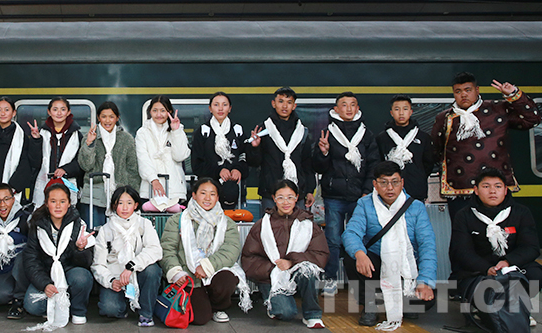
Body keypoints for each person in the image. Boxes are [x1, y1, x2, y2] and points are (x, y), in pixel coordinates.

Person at [432, 72, 541, 218]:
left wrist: (514, 95)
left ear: (477, 90)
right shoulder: (444, 117)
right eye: (458, 91)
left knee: (501, 228)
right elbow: (436, 150)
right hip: (459, 187)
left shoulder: (497, 109)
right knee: (464, 230)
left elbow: (532, 119)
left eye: (468, 90)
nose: (463, 95)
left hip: (495, 187)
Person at [342, 161, 436, 329]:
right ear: (375, 184)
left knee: (427, 301)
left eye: (395, 182)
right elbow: (351, 233)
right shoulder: (365, 204)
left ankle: (402, 301)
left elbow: (427, 246)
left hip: (405, 267)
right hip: (377, 264)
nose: (390, 188)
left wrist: (425, 281)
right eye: (384, 183)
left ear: (402, 183)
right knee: (352, 257)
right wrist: (359, 253)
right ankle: (370, 305)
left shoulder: (416, 207)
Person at [450, 167, 542, 329]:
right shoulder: (464, 215)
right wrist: (486, 268)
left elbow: (531, 247)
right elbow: (460, 251)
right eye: (486, 186)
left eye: (498, 186)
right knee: (476, 285)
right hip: (478, 270)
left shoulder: (521, 212)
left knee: (536, 273)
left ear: (505, 190)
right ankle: (481, 308)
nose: (492, 191)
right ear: (476, 190)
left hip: (512, 266)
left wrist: (508, 262)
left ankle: (519, 309)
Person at [159, 177, 252, 325]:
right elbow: (167, 249)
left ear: (217, 198)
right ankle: (203, 303)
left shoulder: (226, 223)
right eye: (203, 193)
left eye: (212, 194)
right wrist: (176, 272)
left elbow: (231, 250)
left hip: (214, 272)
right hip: (189, 276)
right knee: (200, 318)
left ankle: (218, 307)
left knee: (227, 279)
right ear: (194, 195)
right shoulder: (178, 220)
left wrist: (207, 265)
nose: (208, 198)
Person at [312, 91, 379, 294]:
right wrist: (323, 152)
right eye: (344, 105)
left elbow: (374, 165)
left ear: (357, 108)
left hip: (361, 196)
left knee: (361, 238)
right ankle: (330, 279)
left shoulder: (366, 134)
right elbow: (319, 167)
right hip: (334, 196)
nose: (348, 108)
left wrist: (367, 191)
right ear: (336, 109)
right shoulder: (327, 133)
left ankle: (360, 281)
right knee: (333, 240)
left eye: (352, 104)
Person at [242, 179, 328, 329]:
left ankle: (312, 315)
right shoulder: (262, 225)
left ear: (296, 198)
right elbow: (249, 258)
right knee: (286, 313)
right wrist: (274, 268)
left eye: (290, 197)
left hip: (296, 271)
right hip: (270, 276)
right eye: (280, 197)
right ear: (274, 199)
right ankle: (273, 303)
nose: (285, 202)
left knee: (308, 271)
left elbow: (320, 254)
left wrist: (292, 262)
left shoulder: (308, 224)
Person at [23, 180, 95, 327]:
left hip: (70, 272)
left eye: (62, 201)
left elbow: (86, 263)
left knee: (82, 278)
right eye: (53, 201)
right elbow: (31, 259)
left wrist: (80, 249)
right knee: (31, 305)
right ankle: (59, 306)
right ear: (46, 203)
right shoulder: (37, 224)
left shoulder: (78, 224)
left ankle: (77, 310)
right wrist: (45, 284)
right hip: (47, 273)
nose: (58, 206)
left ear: (69, 204)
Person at [92, 185, 163, 327]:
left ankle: (146, 313)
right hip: (116, 277)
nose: (125, 208)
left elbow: (155, 250)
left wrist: (132, 266)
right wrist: (111, 281)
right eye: (120, 203)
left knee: (153, 270)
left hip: (138, 273)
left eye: (129, 203)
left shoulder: (144, 224)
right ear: (114, 205)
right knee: (109, 309)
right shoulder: (106, 230)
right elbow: (98, 264)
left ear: (136, 205)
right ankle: (124, 305)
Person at [249, 87, 316, 212]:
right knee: (270, 225)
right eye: (280, 101)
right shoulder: (263, 130)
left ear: (294, 106)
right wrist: (255, 147)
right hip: (270, 193)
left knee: (298, 225)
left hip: (297, 193)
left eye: (289, 102)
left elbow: (307, 164)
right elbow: (254, 162)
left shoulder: (302, 131)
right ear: (273, 103)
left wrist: (309, 191)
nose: (284, 106)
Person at [78, 101, 140, 228]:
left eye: (111, 116)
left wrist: (132, 196)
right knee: (93, 231)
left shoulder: (126, 139)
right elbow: (85, 165)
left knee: (119, 232)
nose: (107, 120)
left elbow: (133, 170)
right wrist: (89, 144)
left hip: (120, 195)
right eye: (104, 116)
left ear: (117, 118)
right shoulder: (90, 136)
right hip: (94, 193)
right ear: (98, 118)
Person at [190, 92, 253, 210]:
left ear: (230, 108)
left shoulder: (237, 130)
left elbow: (245, 156)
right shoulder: (203, 131)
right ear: (210, 108)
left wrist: (238, 169)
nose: (220, 108)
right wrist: (218, 171)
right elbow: (197, 164)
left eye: (224, 105)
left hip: (232, 192)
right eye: (216, 105)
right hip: (208, 191)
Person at [375, 95, 436, 201]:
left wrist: (418, 176)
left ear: (411, 112)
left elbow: (428, 164)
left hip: (416, 191)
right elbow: (378, 164)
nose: (401, 113)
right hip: (389, 193)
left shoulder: (423, 137)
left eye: (405, 109)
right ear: (391, 113)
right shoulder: (382, 138)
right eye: (397, 109)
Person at [136, 96, 189, 213]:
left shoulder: (178, 129)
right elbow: (143, 159)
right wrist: (153, 179)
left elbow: (180, 156)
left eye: (163, 110)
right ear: (150, 112)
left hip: (175, 188)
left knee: (174, 223)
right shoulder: (142, 132)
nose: (159, 114)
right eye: (155, 110)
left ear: (169, 111)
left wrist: (176, 131)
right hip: (149, 188)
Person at [0, 182, 32, 320]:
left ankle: (19, 300)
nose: (2, 204)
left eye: (6, 199)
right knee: (1, 296)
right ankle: (14, 295)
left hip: (23, 271)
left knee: (23, 255)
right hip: (2, 270)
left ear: (13, 199)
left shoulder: (25, 218)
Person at [30, 97, 84, 207]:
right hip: (44, 182)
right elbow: (34, 162)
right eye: (55, 109)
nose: (59, 113)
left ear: (68, 112)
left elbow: (81, 162)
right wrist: (36, 140)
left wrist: (66, 169)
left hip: (68, 183)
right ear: (49, 112)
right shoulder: (42, 133)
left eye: (63, 109)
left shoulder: (76, 135)